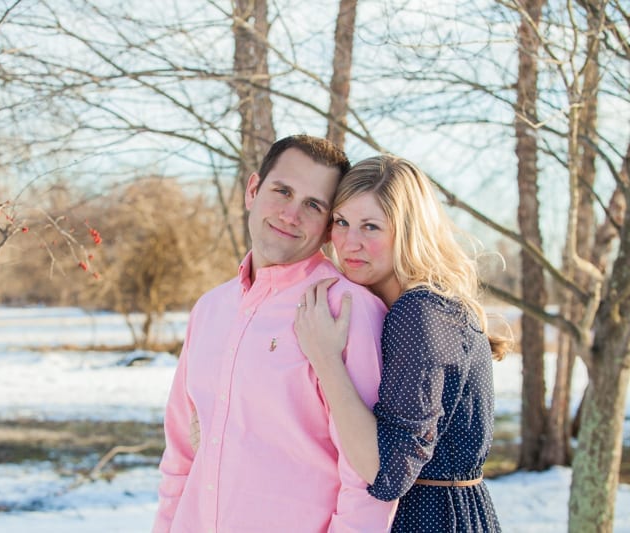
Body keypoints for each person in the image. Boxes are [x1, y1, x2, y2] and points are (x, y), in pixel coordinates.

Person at [153, 135, 398, 532]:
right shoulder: (210, 310)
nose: (290, 214)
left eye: (313, 205)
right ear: (253, 189)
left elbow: (365, 483)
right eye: (282, 191)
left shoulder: (347, 309)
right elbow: (180, 458)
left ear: (327, 226)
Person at [295, 154, 509, 532]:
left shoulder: (420, 311)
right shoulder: (418, 306)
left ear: (409, 232)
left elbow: (386, 470)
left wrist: (325, 357)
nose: (350, 243)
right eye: (342, 222)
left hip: (429, 519)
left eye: (371, 227)